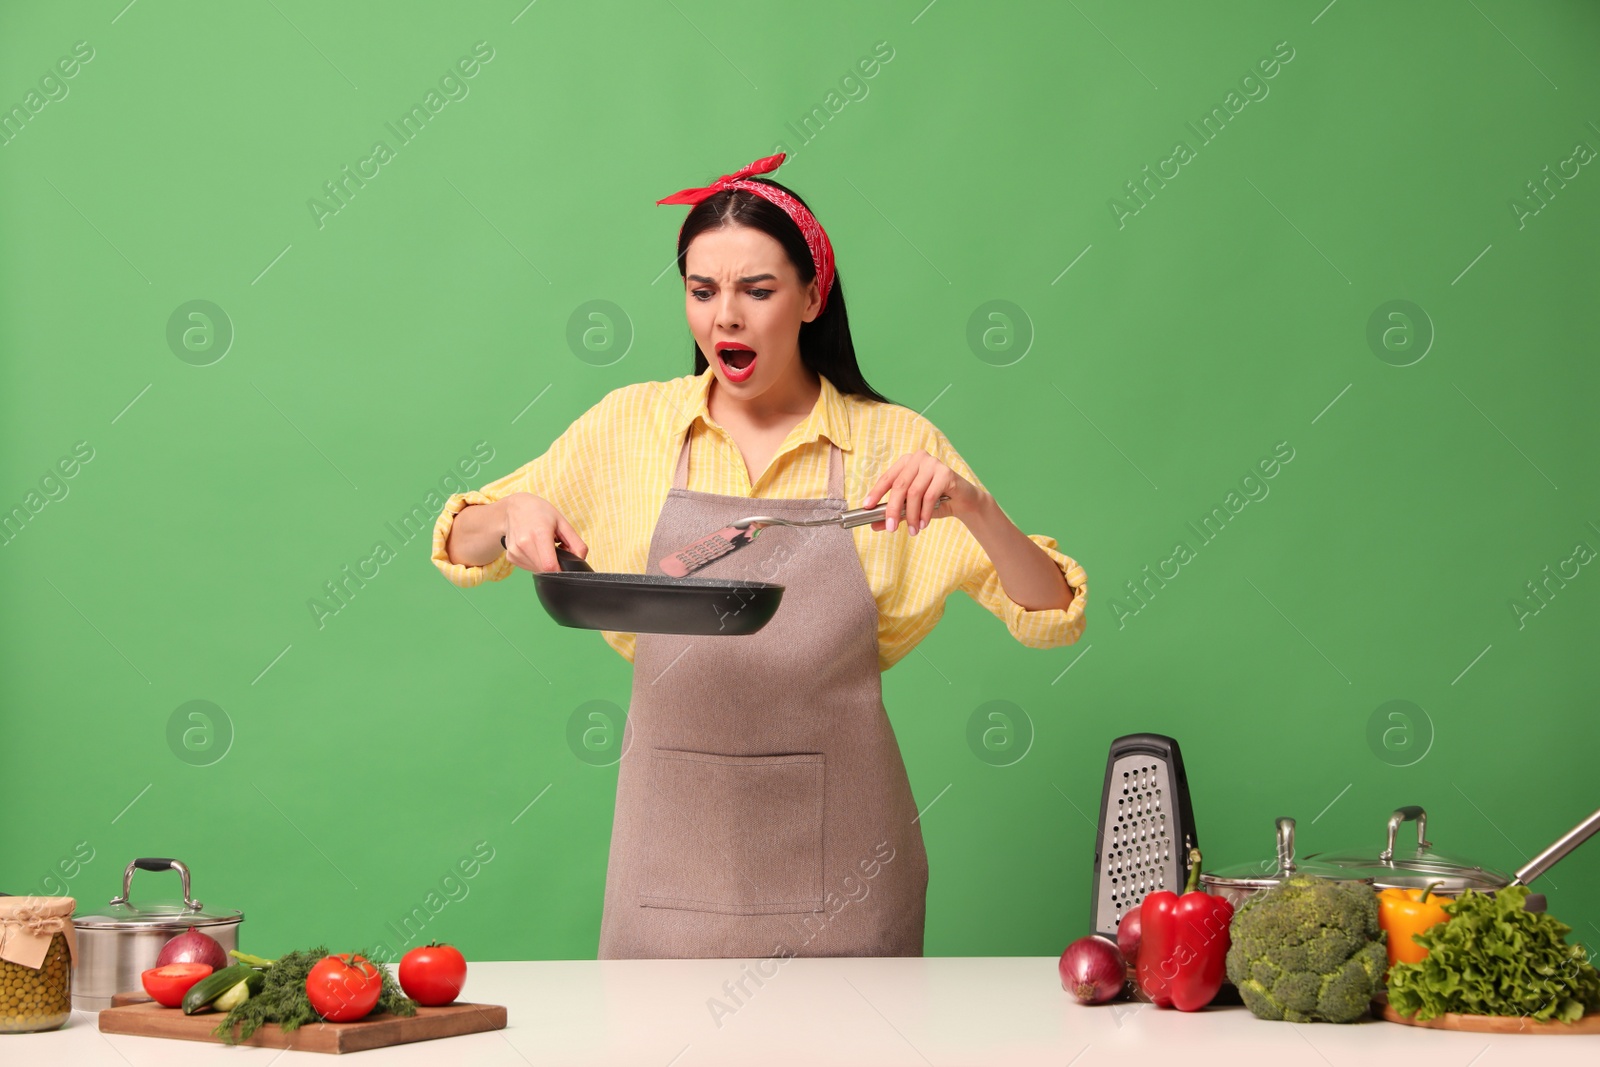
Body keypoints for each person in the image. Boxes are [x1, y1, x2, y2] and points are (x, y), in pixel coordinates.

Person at [432, 152, 1087, 960]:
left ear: (814, 296)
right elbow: (461, 545)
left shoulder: (895, 446)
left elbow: (1052, 611)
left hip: (848, 871)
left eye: (758, 290)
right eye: (702, 291)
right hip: (666, 864)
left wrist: (976, 508)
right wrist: (509, 513)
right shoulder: (629, 426)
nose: (724, 319)